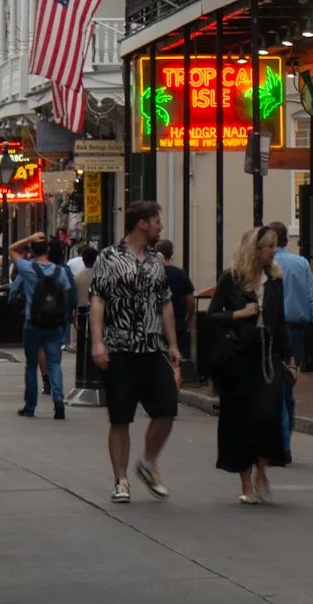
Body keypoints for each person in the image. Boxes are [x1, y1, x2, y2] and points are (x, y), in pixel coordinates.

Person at [89, 201, 181, 505]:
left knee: (167, 408)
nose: (160, 226)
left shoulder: (156, 261)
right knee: (120, 417)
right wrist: (98, 343)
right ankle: (121, 480)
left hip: (152, 348)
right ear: (142, 223)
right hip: (120, 347)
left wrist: (173, 344)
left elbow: (165, 302)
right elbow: (98, 300)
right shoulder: (109, 257)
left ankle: (148, 463)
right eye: (156, 221)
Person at [205, 226, 294, 504]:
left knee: (268, 414)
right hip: (238, 357)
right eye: (269, 246)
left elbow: (280, 321)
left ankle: (262, 468)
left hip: (267, 356)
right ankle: (246, 483)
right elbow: (212, 316)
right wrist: (238, 314)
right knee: (239, 419)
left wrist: (290, 357)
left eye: (275, 246)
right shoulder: (231, 278)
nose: (274, 251)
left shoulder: (274, 280)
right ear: (254, 250)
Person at [265, 221, 313, 456]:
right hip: (294, 331)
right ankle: (283, 442)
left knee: (272, 388)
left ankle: (278, 442)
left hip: (269, 332)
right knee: (286, 388)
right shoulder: (300, 264)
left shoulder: (265, 265)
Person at [9, 232, 74, 419]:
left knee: (31, 365)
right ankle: (58, 401)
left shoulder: (28, 268)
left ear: (32, 250)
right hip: (53, 324)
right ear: (48, 249)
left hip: (33, 322)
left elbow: (12, 249)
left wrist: (30, 238)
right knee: (54, 363)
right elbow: (66, 295)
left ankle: (30, 406)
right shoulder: (60, 272)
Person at [155, 238, 195, 374]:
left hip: (156, 324)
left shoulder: (153, 274)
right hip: (178, 323)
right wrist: (188, 319)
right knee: (176, 360)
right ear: (171, 254)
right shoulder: (181, 274)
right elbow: (190, 301)